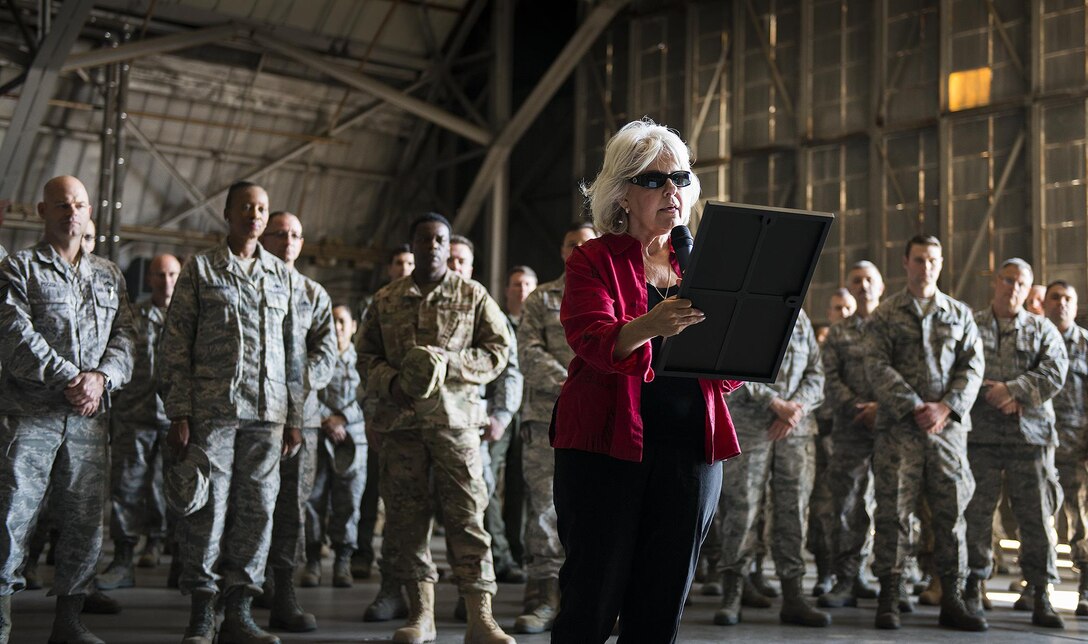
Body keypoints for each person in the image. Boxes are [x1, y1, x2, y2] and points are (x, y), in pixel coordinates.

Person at [550, 119, 743, 644]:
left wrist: (751, 337)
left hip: (691, 454)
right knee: (591, 602)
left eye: (679, 179)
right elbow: (591, 339)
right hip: (605, 452)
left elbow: (726, 372)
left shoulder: (702, 263)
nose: (671, 191)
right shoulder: (593, 259)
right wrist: (649, 325)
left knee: (661, 607)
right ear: (622, 194)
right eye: (654, 180)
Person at [359, 212, 515, 644]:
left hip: (456, 425)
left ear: (449, 246)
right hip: (402, 426)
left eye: (440, 240)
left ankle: (480, 617)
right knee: (406, 521)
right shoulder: (386, 299)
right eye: (424, 239)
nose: (432, 246)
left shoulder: (473, 295)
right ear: (412, 246)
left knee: (468, 517)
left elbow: (498, 351)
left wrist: (452, 364)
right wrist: (390, 382)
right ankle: (421, 615)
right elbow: (365, 356)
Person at [159, 181, 304, 644]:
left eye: (261, 208)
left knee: (258, 510)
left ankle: (240, 610)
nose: (254, 215)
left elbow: (294, 352)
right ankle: (203, 611)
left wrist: (295, 416)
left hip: (268, 413)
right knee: (208, 510)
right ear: (227, 213)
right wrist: (179, 411)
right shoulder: (202, 269)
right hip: (213, 412)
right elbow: (175, 342)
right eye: (246, 207)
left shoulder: (281, 275)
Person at [0, 175, 136, 643]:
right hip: (29, 417)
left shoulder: (109, 274)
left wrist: (102, 378)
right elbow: (14, 336)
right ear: (42, 211)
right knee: (11, 518)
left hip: (87, 420)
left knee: (83, 522)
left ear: (90, 211)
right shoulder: (19, 268)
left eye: (78, 204)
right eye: (61, 205)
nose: (71, 212)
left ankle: (69, 621)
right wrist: (74, 378)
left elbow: (126, 338)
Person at [864, 234, 986, 632]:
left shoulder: (959, 314)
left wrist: (945, 407)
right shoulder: (886, 314)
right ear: (906, 262)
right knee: (893, 512)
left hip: (946, 431)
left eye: (933, 260)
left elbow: (973, 367)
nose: (926, 267)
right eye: (919, 259)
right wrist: (915, 405)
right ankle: (890, 595)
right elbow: (875, 364)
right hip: (899, 429)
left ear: (941, 263)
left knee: (952, 514)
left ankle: (952, 597)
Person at [965, 259, 1067, 629]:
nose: (1013, 288)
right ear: (997, 281)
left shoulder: (1042, 328)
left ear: (1029, 288)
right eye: (1008, 280)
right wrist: (990, 393)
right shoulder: (971, 324)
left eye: (1021, 283)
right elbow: (957, 368)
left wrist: (1013, 391)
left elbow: (1055, 371)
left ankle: (1040, 591)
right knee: (976, 516)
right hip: (980, 437)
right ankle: (973, 585)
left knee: (1036, 516)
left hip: (1030, 438)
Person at [715, 309, 828, 628]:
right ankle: (733, 592)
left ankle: (793, 595)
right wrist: (775, 404)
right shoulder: (745, 310)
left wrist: (796, 409)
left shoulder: (801, 319)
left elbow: (816, 373)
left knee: (794, 510)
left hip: (795, 431)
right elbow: (730, 363)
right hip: (751, 428)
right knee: (742, 509)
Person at [514, 222, 596, 634]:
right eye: (571, 244)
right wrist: (572, 381)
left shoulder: (611, 293)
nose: (579, 249)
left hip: (598, 418)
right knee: (545, 507)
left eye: (586, 243)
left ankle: (590, 598)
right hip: (549, 416)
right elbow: (527, 352)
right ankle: (544, 596)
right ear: (562, 251)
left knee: (597, 509)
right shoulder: (542, 298)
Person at [258, 211, 337, 633]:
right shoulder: (251, 284)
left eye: (295, 235)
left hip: (301, 418)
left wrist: (293, 386)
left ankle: (284, 588)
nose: (288, 241)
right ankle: (246, 585)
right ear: (263, 238)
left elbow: (326, 353)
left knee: (291, 506)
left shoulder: (313, 293)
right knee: (249, 503)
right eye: (280, 234)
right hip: (255, 415)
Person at [97, 254, 181, 591]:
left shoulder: (190, 317)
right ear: (149, 279)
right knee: (126, 489)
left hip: (176, 418)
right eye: (160, 275)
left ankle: (180, 561)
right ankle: (123, 559)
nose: (166, 281)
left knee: (181, 491)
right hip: (135, 415)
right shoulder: (133, 315)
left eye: (172, 274)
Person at [447, 235, 526, 589]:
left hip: (471, 423)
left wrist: (501, 414)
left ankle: (480, 579)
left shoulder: (484, 308)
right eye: (450, 258)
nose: (454, 266)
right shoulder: (410, 302)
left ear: (470, 267)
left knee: (479, 496)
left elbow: (509, 368)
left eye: (461, 260)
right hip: (423, 423)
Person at [819, 261, 885, 608]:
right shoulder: (838, 334)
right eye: (857, 280)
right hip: (851, 429)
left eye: (869, 279)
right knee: (847, 504)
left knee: (892, 504)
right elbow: (830, 378)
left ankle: (890, 578)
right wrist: (861, 409)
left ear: (881, 286)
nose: (864, 286)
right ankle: (846, 577)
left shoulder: (894, 327)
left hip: (891, 429)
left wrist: (882, 410)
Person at [360, 245, 416, 623]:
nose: (405, 267)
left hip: (445, 425)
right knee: (394, 507)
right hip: (392, 421)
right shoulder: (381, 303)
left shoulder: (464, 297)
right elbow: (365, 362)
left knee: (458, 512)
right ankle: (391, 588)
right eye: (399, 262)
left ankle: (468, 594)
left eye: (408, 262)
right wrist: (371, 415)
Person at [305, 304, 368, 588]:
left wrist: (343, 418)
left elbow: (369, 395)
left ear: (353, 326)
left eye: (343, 321)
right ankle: (313, 560)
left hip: (353, 440)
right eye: (333, 321)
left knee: (349, 502)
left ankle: (343, 560)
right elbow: (306, 389)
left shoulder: (363, 360)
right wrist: (326, 419)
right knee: (314, 499)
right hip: (320, 436)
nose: (338, 327)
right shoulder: (317, 357)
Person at [1044, 280, 1088, 615]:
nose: (1061, 303)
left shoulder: (1085, 344)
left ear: (1075, 305)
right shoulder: (1035, 339)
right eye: (1055, 297)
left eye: (1067, 298)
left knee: (1082, 518)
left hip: (1077, 446)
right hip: (1039, 443)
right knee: (1037, 516)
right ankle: (1038, 586)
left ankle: (1085, 586)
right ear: (1045, 302)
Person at [807, 288, 855, 596]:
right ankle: (825, 571)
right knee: (823, 508)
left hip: (855, 436)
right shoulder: (820, 347)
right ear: (829, 312)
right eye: (838, 308)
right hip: (825, 435)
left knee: (856, 506)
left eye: (848, 308)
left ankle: (852, 572)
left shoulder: (868, 343)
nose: (844, 314)